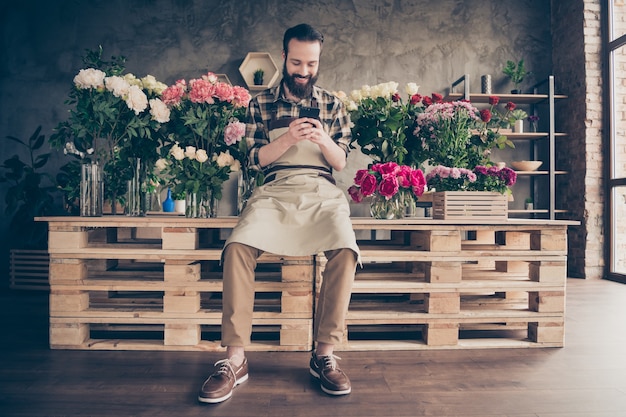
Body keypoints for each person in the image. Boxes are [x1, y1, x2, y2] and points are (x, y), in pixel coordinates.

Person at [197, 23, 359, 404]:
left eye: (312, 64)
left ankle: (324, 355)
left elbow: (340, 161)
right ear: (284, 57)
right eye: (298, 62)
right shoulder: (259, 104)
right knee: (236, 246)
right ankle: (235, 359)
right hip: (274, 190)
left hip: (321, 189)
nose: (304, 71)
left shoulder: (332, 105)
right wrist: (288, 138)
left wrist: (322, 139)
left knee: (347, 249)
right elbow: (254, 160)